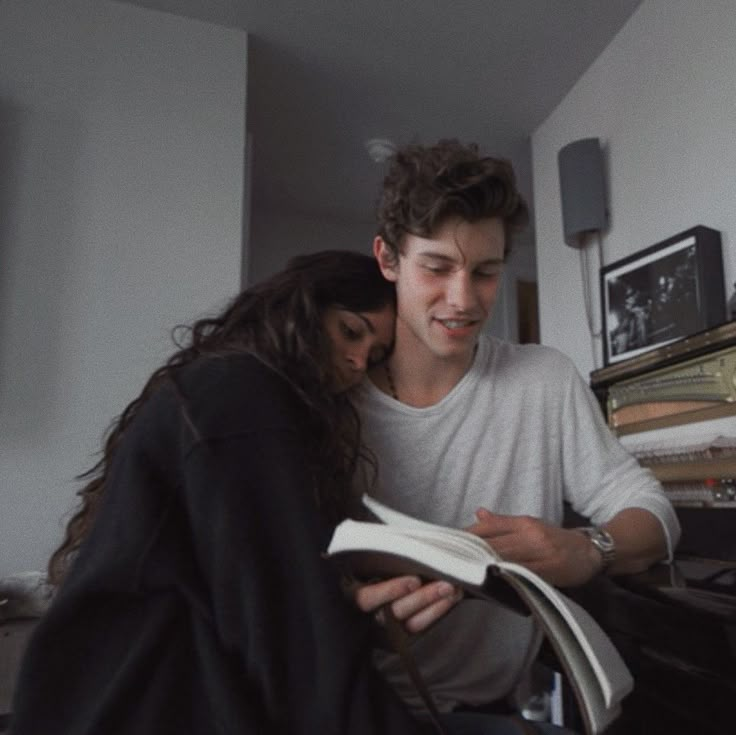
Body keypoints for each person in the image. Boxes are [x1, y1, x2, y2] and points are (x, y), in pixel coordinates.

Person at [8, 250, 441, 735]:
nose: (359, 361)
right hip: (134, 698)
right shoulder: (242, 396)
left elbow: (247, 589)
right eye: (351, 331)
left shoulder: (230, 388)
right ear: (301, 309)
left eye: (376, 354)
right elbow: (282, 631)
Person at [351, 141, 681, 725]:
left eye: (485, 272)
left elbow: (650, 509)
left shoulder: (543, 379)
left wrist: (589, 548)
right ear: (388, 259)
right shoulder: (336, 397)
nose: (462, 299)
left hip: (494, 711)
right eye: (436, 268)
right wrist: (344, 607)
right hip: (352, 703)